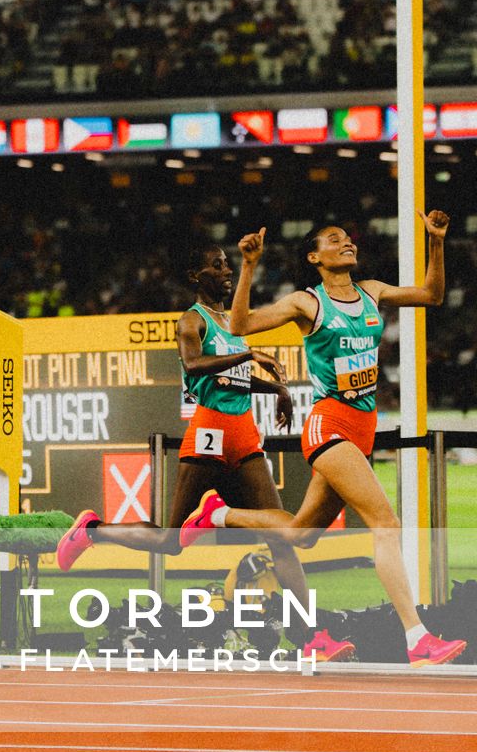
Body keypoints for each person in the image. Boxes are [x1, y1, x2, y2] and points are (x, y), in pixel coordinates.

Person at [182, 216, 467, 668]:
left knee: (301, 535)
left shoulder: (372, 291)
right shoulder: (307, 303)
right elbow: (239, 326)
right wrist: (249, 265)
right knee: (385, 524)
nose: (346, 243)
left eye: (349, 238)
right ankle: (417, 638)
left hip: (362, 427)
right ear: (315, 258)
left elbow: (431, 295)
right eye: (334, 240)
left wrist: (436, 244)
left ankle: (221, 513)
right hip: (328, 426)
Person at [55, 240, 341, 654]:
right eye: (217, 267)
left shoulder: (234, 321)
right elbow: (194, 366)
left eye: (228, 266)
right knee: (170, 541)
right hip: (208, 431)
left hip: (243, 431)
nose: (226, 273)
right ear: (197, 277)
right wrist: (249, 353)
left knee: (282, 535)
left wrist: (274, 387)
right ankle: (92, 530)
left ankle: (309, 635)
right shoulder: (193, 321)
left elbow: (231, 379)